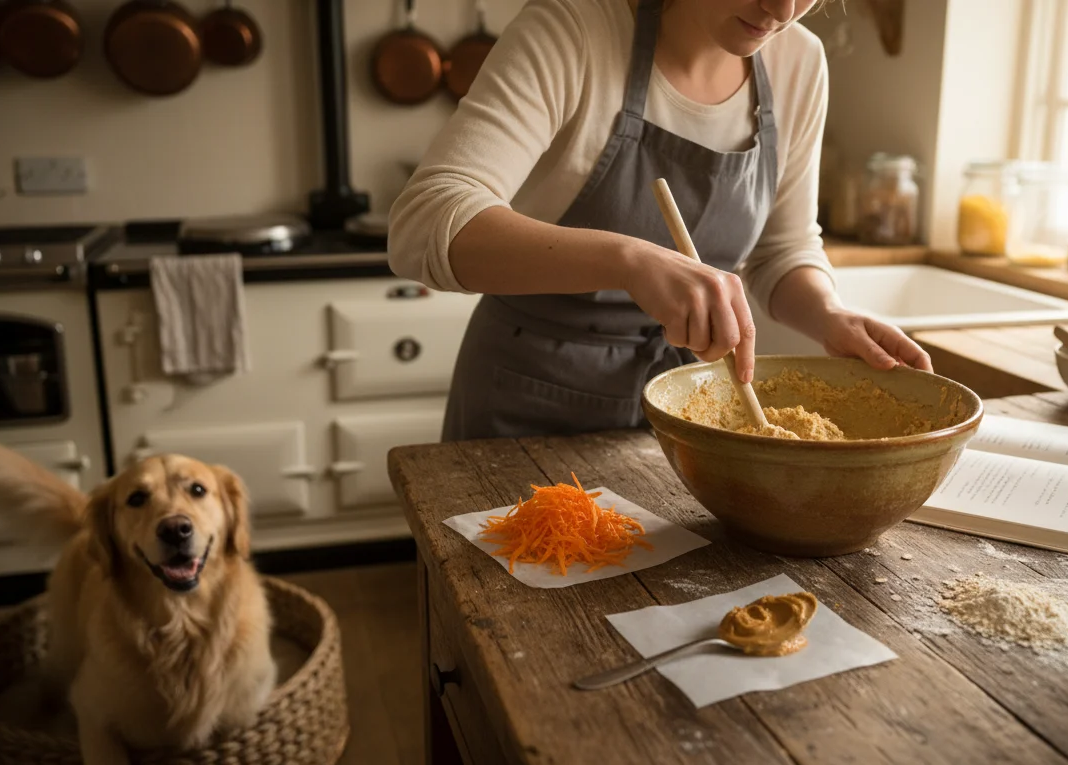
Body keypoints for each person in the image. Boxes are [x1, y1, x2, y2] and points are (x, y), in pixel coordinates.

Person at [388, 0, 932, 441]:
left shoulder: (798, 62)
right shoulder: (575, 29)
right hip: (527, 407)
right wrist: (628, 259)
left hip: (688, 416)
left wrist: (827, 313)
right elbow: (426, 219)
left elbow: (782, 249)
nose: (783, 8)